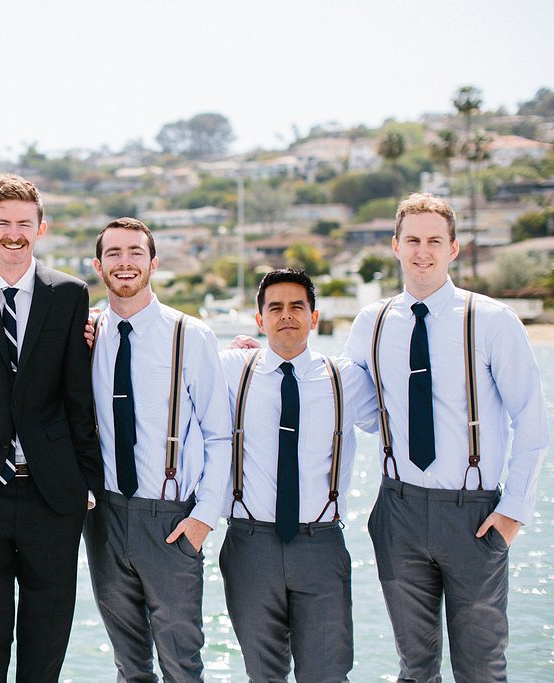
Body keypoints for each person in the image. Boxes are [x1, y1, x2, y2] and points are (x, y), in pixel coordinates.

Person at [343, 193, 548, 682]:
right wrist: (256, 355)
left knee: (482, 669)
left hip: (474, 514)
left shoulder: (492, 320)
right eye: (413, 240)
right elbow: (352, 404)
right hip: (398, 511)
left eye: (435, 241)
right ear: (395, 245)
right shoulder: (371, 322)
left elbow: (532, 419)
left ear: (453, 248)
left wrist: (514, 511)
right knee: (414, 669)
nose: (423, 251)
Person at [0, 173, 102, 682]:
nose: (13, 233)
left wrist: (86, 482)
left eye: (24, 223)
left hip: (51, 495)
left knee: (44, 651)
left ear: (40, 228)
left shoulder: (69, 294)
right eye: (3, 222)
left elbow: (78, 398)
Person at [85, 217, 232, 681]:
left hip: (171, 520)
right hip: (104, 518)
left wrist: (204, 518)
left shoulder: (192, 335)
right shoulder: (85, 334)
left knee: (182, 664)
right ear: (98, 266)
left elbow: (219, 434)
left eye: (135, 252)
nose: (124, 262)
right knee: (129, 665)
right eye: (113, 253)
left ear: (154, 263)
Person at [218, 268, 376, 683]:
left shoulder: (347, 378)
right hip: (249, 544)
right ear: (260, 320)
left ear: (314, 317)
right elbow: (165, 376)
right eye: (275, 308)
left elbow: (397, 422)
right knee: (263, 675)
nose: (286, 315)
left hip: (320, 544)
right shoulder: (231, 368)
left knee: (328, 674)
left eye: (296, 307)